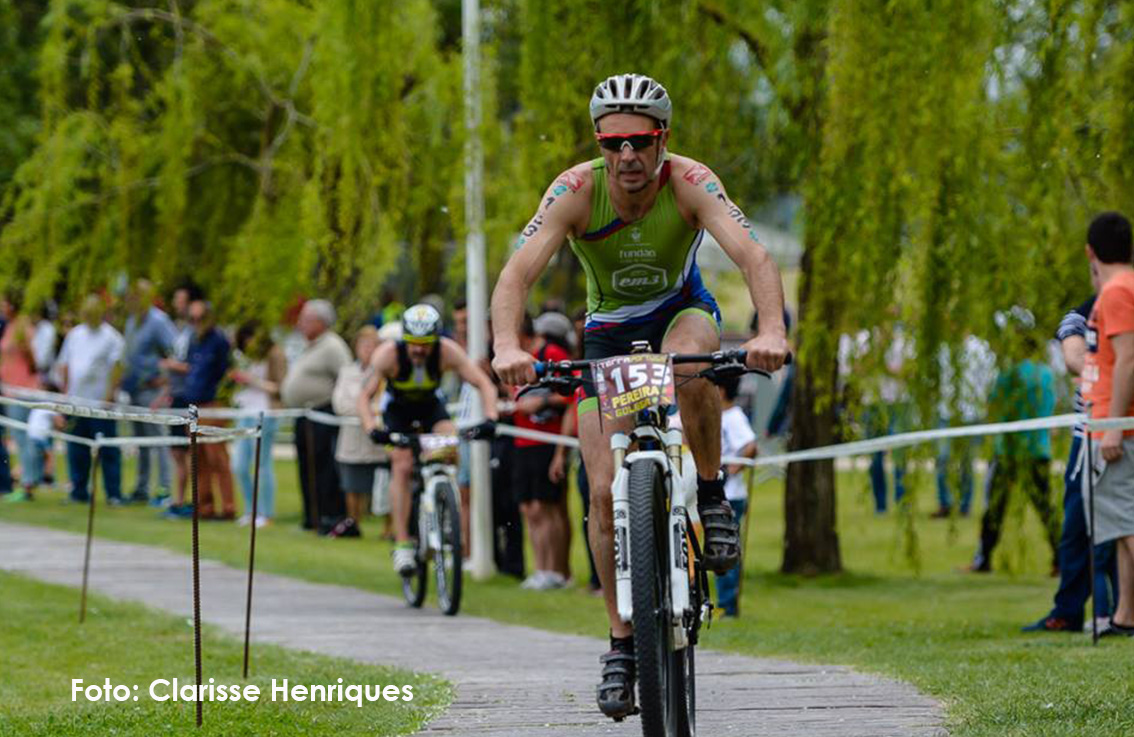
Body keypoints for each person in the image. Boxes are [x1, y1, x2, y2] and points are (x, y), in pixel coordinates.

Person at [489, 73, 789, 720]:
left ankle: (710, 494)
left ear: (663, 139)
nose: (627, 155)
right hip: (607, 336)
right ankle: (622, 642)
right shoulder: (575, 191)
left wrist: (770, 331)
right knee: (601, 491)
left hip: (681, 314)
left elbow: (754, 256)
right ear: (599, 143)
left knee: (692, 362)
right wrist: (507, 346)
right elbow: (517, 273)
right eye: (612, 143)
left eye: (641, 141)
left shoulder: (691, 181)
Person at [358, 303, 499, 575]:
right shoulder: (388, 355)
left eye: (425, 344)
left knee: (449, 443)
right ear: (404, 339)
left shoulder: (447, 351)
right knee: (402, 465)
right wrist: (371, 427)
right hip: (398, 411)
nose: (419, 350)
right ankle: (402, 543)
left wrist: (491, 418)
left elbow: (483, 383)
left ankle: (444, 503)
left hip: (431, 407)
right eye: (413, 344)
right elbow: (364, 396)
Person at [1023, 283, 1119, 632]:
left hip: (1119, 430)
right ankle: (1070, 610)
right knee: (1079, 526)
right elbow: (1073, 356)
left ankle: (1117, 613)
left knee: (1115, 531)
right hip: (1089, 433)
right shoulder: (1085, 311)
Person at [968, 307, 1059, 573]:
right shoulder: (1046, 373)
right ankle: (1062, 558)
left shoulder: (1008, 375)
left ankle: (983, 559)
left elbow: (995, 408)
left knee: (995, 507)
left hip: (1008, 450)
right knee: (1046, 507)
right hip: (1039, 448)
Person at [1080, 211, 1134, 636]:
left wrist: (1114, 424)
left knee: (1128, 524)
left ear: (1090, 252)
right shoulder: (1123, 287)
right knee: (1121, 525)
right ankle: (1125, 616)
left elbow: (1128, 358)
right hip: (1113, 422)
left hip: (1119, 427)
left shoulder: (1117, 291)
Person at [280, 299, 352, 532]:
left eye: (306, 319)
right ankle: (310, 517)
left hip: (322, 413)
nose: (301, 324)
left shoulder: (333, 346)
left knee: (323, 467)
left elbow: (347, 377)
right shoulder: (309, 345)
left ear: (321, 322)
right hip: (304, 415)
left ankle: (328, 515)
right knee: (306, 466)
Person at [512, 312, 572, 590]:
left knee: (545, 507)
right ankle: (539, 569)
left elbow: (572, 395)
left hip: (547, 440)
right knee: (529, 509)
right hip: (522, 441)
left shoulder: (552, 354)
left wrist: (543, 402)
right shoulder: (514, 359)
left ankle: (555, 571)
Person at [163, 300, 234, 520]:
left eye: (199, 319)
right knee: (198, 459)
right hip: (193, 405)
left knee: (217, 459)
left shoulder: (219, 341)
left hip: (212, 405)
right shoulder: (194, 341)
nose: (195, 323)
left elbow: (226, 373)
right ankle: (204, 507)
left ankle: (228, 507)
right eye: (191, 319)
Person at [56, 295, 125, 504]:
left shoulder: (112, 337)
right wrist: (65, 394)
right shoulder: (75, 334)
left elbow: (117, 368)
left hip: (100, 405)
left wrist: (109, 396)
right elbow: (65, 363)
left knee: (108, 450)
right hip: (76, 403)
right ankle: (78, 491)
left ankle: (113, 493)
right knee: (76, 449)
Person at [121, 280, 177, 505]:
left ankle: (165, 487)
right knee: (141, 440)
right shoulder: (132, 321)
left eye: (134, 296)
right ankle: (142, 487)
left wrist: (165, 380)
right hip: (134, 389)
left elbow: (175, 351)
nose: (130, 300)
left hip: (153, 389)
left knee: (159, 439)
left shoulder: (159, 321)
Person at [330, 325, 385, 538]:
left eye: (372, 345)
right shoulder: (347, 372)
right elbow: (340, 404)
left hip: (376, 440)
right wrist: (365, 409)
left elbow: (382, 404)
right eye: (364, 345)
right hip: (352, 438)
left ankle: (388, 528)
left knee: (382, 482)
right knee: (351, 483)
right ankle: (353, 523)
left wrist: (364, 409)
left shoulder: (384, 371)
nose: (367, 350)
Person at [230, 322, 286, 528]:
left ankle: (266, 513)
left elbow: (281, 387)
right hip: (245, 410)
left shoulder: (275, 353)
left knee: (262, 464)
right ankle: (250, 510)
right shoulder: (244, 357)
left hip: (266, 412)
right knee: (239, 465)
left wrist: (252, 380)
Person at [716, 376, 758, 617]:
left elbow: (751, 445)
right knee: (720, 547)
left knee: (726, 549)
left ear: (721, 391)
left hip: (731, 495)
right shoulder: (721, 416)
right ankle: (724, 601)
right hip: (724, 494)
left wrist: (731, 470)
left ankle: (727, 604)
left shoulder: (733, 417)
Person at [0, 293, 43, 502]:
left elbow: (32, 356)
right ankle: (29, 480)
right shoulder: (10, 326)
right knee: (21, 437)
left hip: (22, 390)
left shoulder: (21, 326)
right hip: (10, 389)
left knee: (23, 437)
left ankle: (28, 484)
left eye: (5, 303)